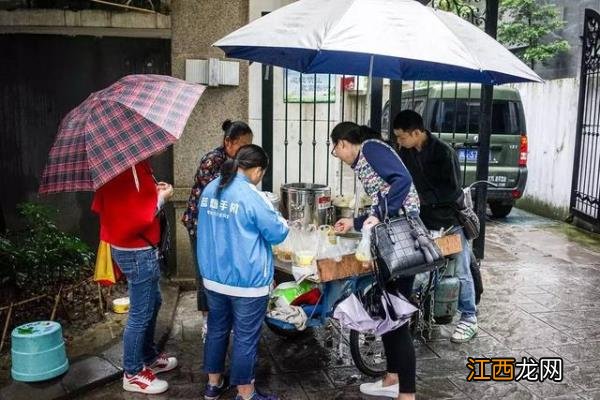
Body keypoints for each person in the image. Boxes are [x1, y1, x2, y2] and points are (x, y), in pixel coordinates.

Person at [331, 122, 420, 400]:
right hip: (390, 237)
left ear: (344, 143)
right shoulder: (366, 157)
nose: (336, 153)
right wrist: (355, 221)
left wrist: (380, 212)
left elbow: (402, 181)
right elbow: (383, 198)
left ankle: (407, 393)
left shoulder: (371, 149)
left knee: (397, 315)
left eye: (335, 148)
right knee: (388, 313)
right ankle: (392, 377)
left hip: (400, 239)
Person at [197, 144, 289, 400]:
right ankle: (246, 394)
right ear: (257, 170)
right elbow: (278, 233)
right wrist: (282, 219)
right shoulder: (251, 196)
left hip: (214, 278)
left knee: (217, 329)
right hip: (247, 282)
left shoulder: (211, 187)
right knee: (245, 338)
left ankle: (213, 385)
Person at [92, 160, 177, 395]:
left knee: (154, 301)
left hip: (135, 246)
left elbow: (127, 201)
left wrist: (154, 190)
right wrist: (162, 198)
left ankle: (148, 356)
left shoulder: (120, 164)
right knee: (140, 313)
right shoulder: (125, 165)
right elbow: (137, 216)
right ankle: (132, 373)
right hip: (137, 249)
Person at [394, 109, 478, 343]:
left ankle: (469, 318)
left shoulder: (444, 153)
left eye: (402, 137)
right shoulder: (407, 152)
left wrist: (422, 198)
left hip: (449, 221)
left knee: (462, 272)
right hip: (422, 220)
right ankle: (420, 314)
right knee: (418, 269)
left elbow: (452, 191)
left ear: (417, 132)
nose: (399, 141)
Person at [181, 120, 253, 318]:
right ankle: (207, 319)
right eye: (243, 146)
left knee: (219, 270)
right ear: (228, 142)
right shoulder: (212, 161)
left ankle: (220, 315)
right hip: (200, 225)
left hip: (220, 224)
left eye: (249, 146)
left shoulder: (238, 162)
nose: (246, 151)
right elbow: (216, 194)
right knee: (204, 270)